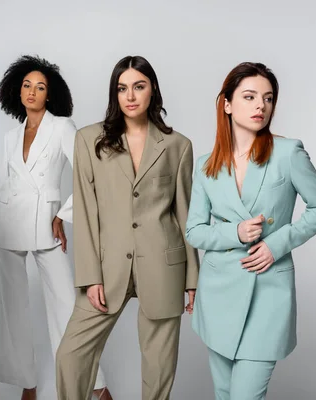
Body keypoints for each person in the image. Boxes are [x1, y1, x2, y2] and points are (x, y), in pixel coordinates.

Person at [185, 62, 316, 400]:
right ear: (227, 104)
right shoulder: (206, 165)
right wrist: (234, 234)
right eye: (250, 96)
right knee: (224, 393)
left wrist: (276, 244)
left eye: (268, 98)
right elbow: (194, 231)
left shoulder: (288, 152)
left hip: (268, 291)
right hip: (219, 291)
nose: (261, 106)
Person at [55, 55, 199, 400]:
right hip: (107, 267)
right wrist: (90, 275)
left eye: (139, 86)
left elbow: (185, 215)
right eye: (122, 88)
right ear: (114, 94)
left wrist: (192, 277)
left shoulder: (178, 146)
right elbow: (87, 212)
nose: (130, 96)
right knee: (70, 356)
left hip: (164, 265)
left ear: (153, 91)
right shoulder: (89, 140)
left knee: (159, 365)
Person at [0, 55, 111, 400]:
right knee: (12, 309)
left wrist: (64, 213)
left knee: (67, 307)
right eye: (26, 85)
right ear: (16, 89)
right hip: (9, 224)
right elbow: (1, 186)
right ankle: (28, 384)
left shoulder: (62, 127)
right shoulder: (11, 136)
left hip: (44, 222)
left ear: (50, 95)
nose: (31, 91)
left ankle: (96, 386)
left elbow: (90, 173)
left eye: (40, 87)